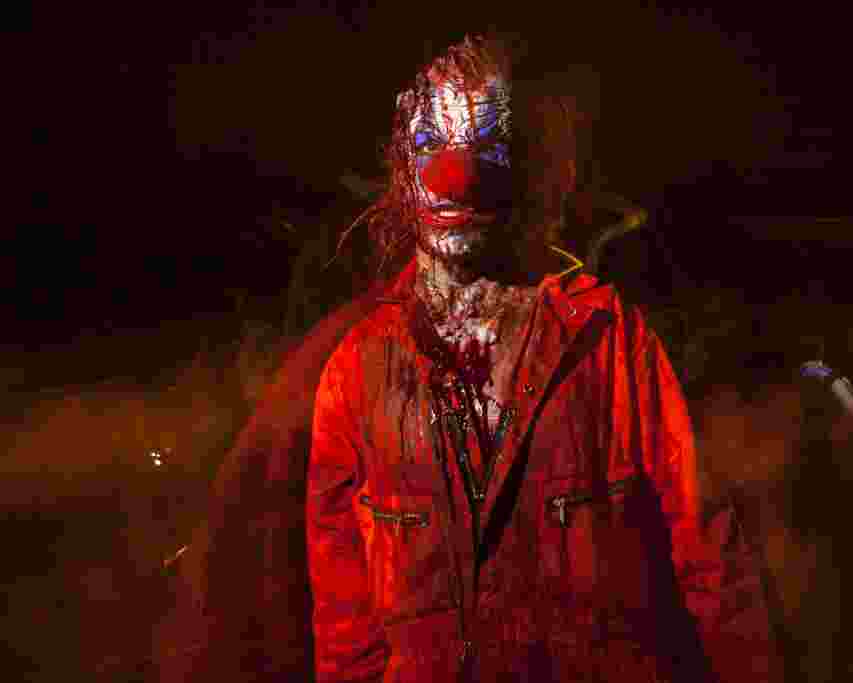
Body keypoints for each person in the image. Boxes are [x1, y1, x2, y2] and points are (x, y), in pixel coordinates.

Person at [155, 33, 780, 683]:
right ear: (404, 170)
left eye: (485, 143)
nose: (456, 172)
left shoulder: (613, 345)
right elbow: (342, 637)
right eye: (434, 143)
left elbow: (712, 564)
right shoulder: (348, 373)